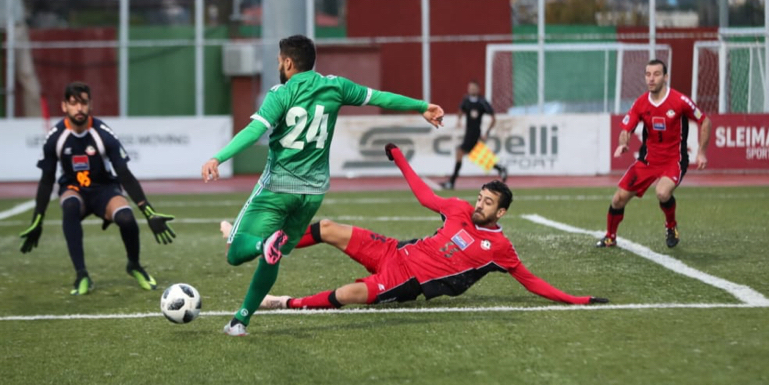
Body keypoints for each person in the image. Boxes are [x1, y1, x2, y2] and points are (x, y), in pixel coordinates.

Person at [201, 34, 445, 336]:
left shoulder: (280, 93)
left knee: (236, 250)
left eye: (279, 61)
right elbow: (380, 97)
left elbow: (255, 131)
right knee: (273, 256)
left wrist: (218, 157)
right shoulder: (336, 86)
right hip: (313, 194)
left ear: (288, 62)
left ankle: (262, 246)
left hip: (278, 187)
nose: (279, 65)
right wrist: (422, 106)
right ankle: (240, 321)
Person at [258, 142, 607, 310]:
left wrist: (575, 299)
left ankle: (285, 302)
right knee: (328, 227)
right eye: (480, 197)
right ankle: (267, 245)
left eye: (487, 203)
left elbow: (532, 282)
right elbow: (425, 196)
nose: (479, 204)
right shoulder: (457, 209)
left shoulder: (499, 249)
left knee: (348, 294)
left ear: (500, 213)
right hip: (395, 250)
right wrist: (399, 159)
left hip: (408, 280)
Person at [19, 82, 176, 295]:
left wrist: (147, 211)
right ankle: (81, 274)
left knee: (126, 218)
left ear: (90, 104)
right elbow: (47, 180)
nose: (79, 108)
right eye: (73, 103)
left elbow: (124, 173)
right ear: (64, 106)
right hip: (74, 188)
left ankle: (134, 265)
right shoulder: (56, 136)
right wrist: (37, 219)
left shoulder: (103, 133)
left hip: (104, 189)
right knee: (70, 205)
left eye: (83, 102)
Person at [596, 58, 711, 249]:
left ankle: (671, 226)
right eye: (648, 74)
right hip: (648, 161)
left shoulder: (680, 101)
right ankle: (610, 237)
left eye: (656, 74)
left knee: (662, 192)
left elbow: (705, 121)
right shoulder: (640, 103)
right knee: (618, 199)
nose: (651, 78)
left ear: (665, 77)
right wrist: (623, 143)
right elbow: (626, 129)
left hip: (674, 160)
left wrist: (702, 152)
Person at [441, 80, 507, 190]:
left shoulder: (482, 102)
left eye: (473, 88)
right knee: (477, 155)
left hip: (474, 133)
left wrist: (487, 132)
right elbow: (461, 110)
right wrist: (459, 120)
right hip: (468, 132)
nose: (471, 89)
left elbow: (493, 118)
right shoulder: (466, 100)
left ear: (478, 89)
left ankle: (451, 182)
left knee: (460, 152)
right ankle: (501, 169)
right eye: (469, 88)